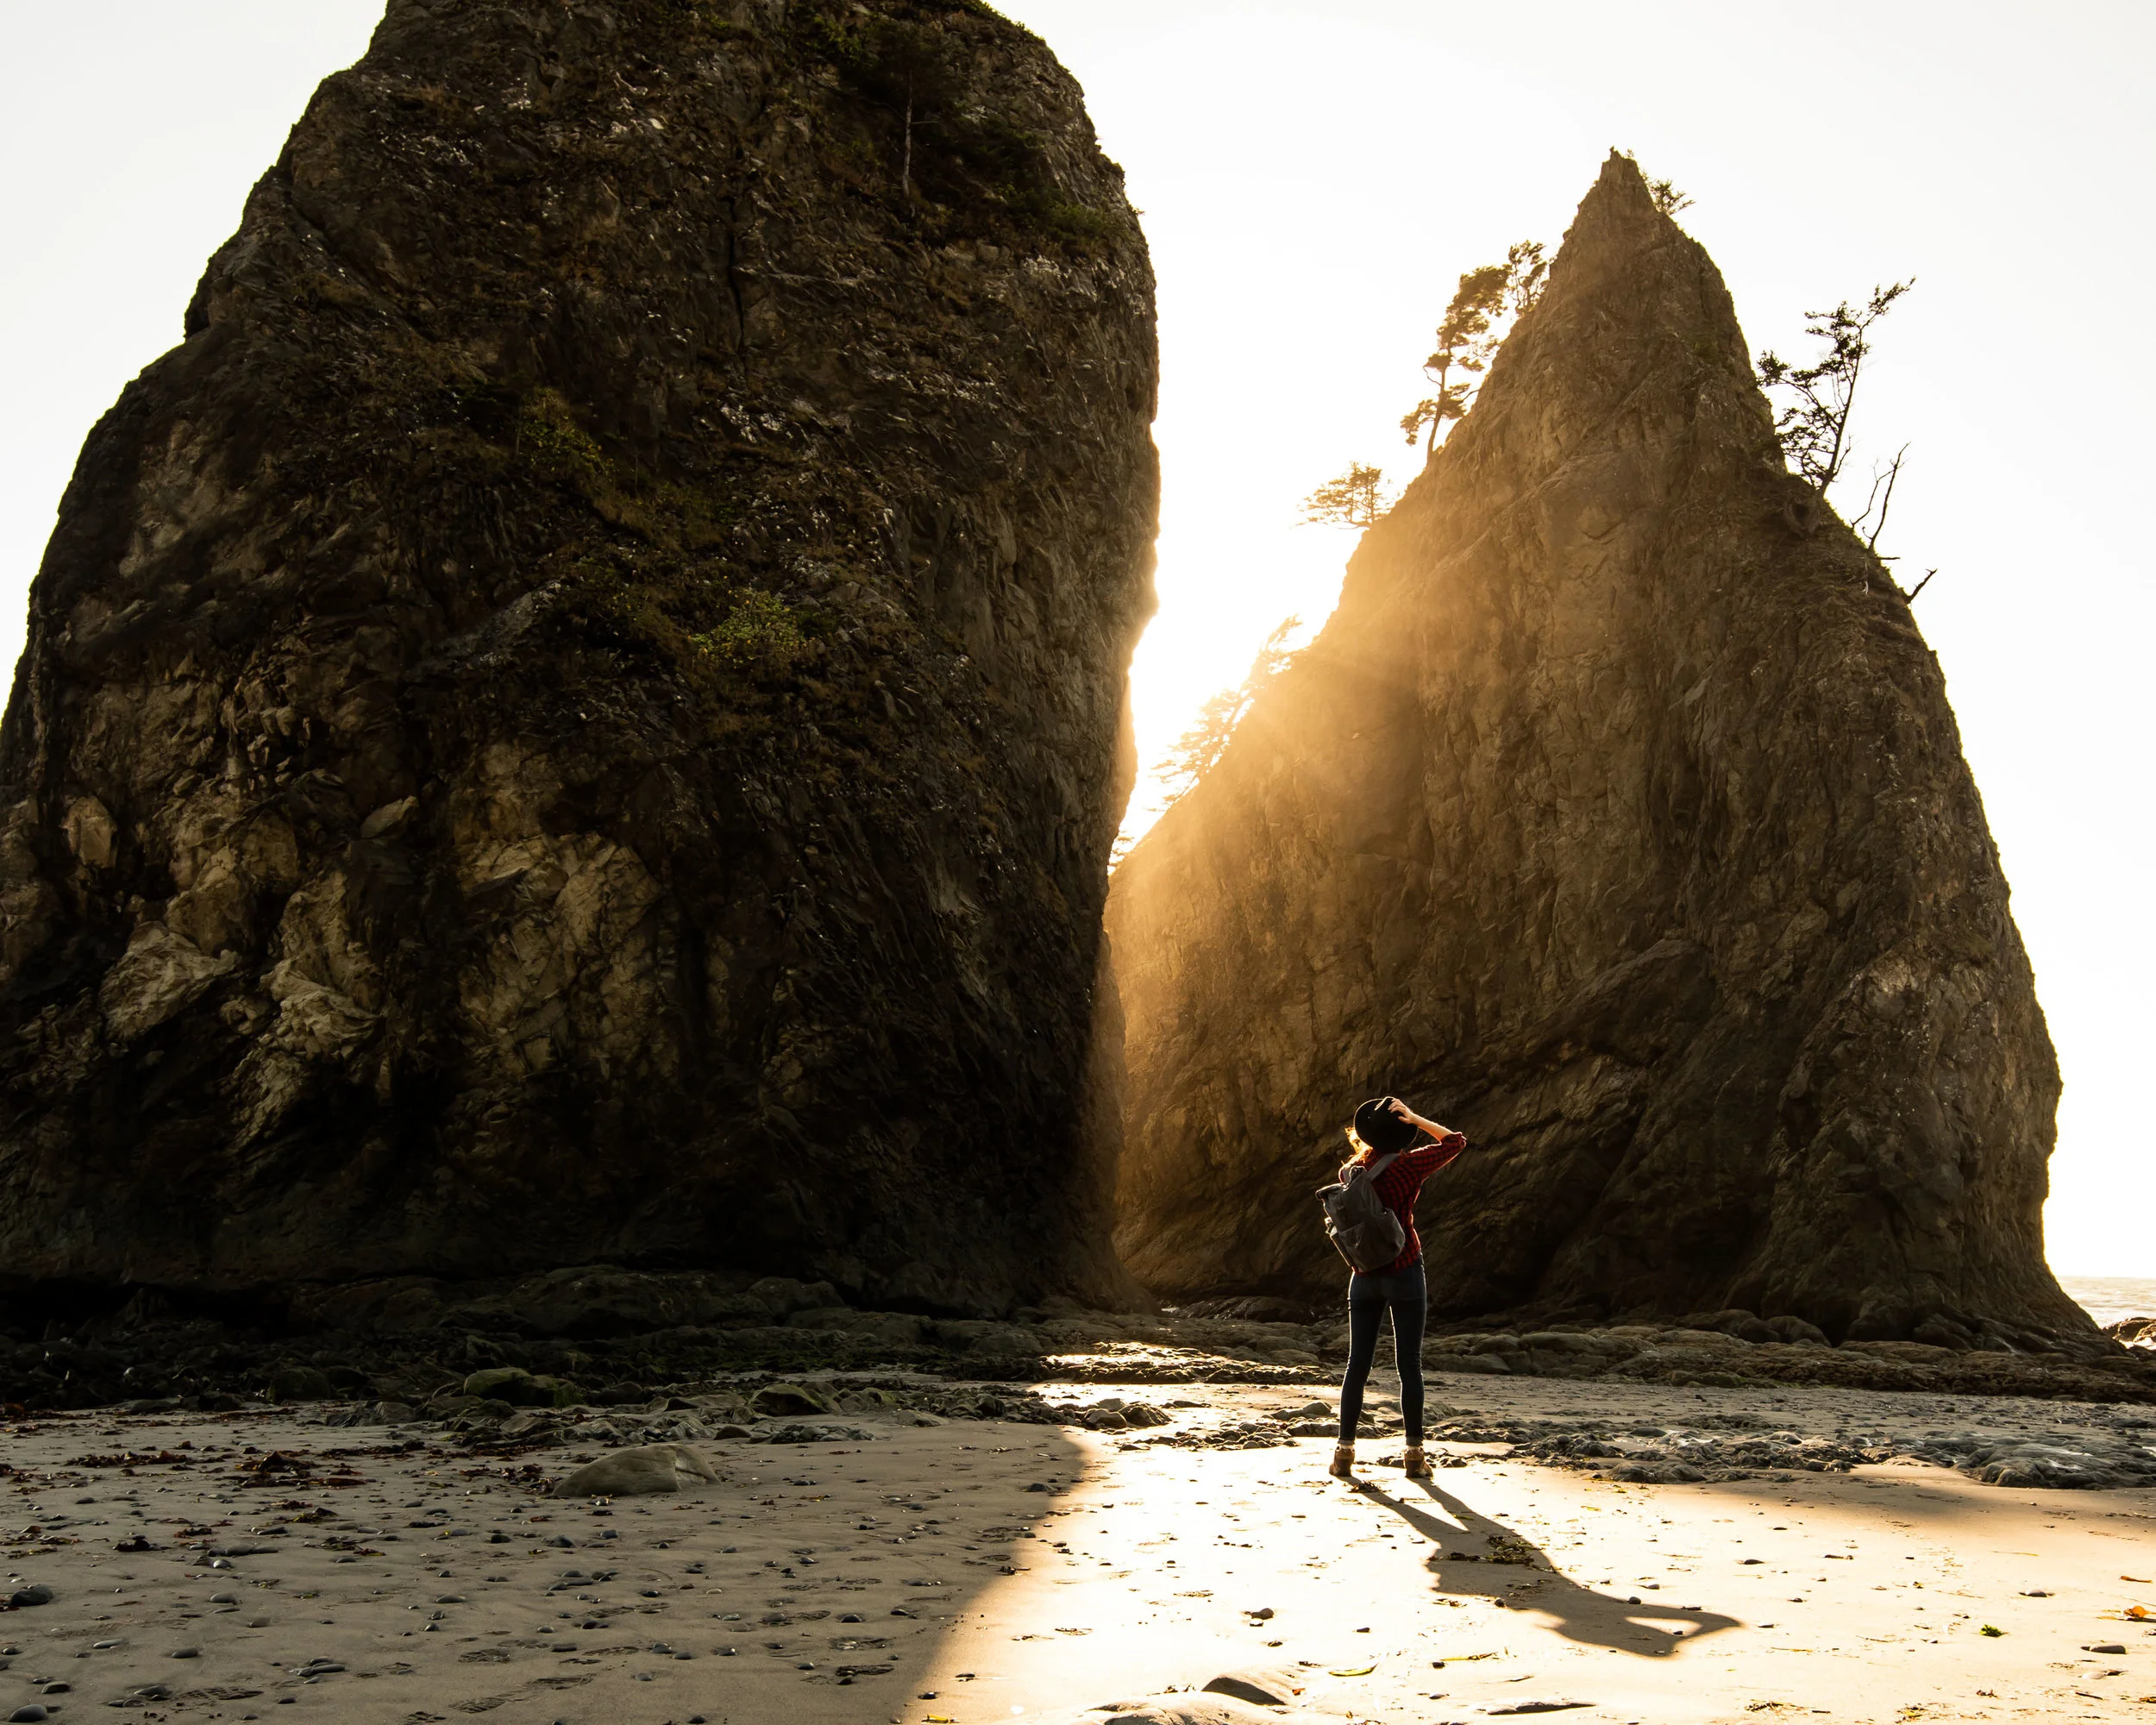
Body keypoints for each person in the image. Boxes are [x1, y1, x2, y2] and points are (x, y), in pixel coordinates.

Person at [1330, 1095, 1470, 1481]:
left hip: (1364, 1275)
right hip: (1405, 1269)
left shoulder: (1351, 1171)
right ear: (1402, 1131)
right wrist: (1415, 1118)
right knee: (1409, 1365)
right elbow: (1455, 1142)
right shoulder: (1409, 1166)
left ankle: (1344, 1453)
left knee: (1357, 1365)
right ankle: (1413, 1455)